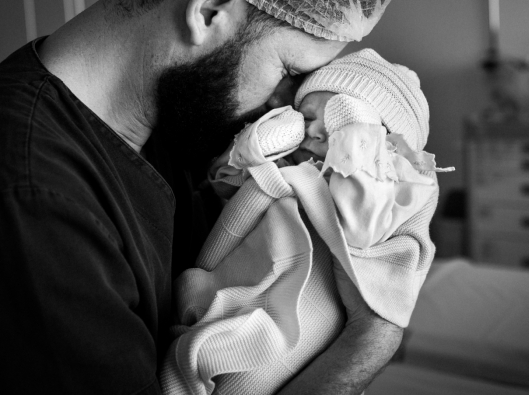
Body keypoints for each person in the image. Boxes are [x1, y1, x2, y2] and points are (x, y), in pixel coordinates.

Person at [0, 0, 399, 394]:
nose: (284, 107)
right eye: (288, 73)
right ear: (210, 10)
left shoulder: (177, 126)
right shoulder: (27, 192)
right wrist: (371, 334)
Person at [161, 49, 453, 395]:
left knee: (246, 377)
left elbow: (360, 225)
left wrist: (351, 139)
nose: (313, 129)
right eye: (304, 117)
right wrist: (266, 141)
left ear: (383, 145)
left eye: (341, 120)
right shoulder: (288, 168)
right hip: (234, 297)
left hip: (306, 318)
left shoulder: (391, 190)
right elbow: (224, 179)